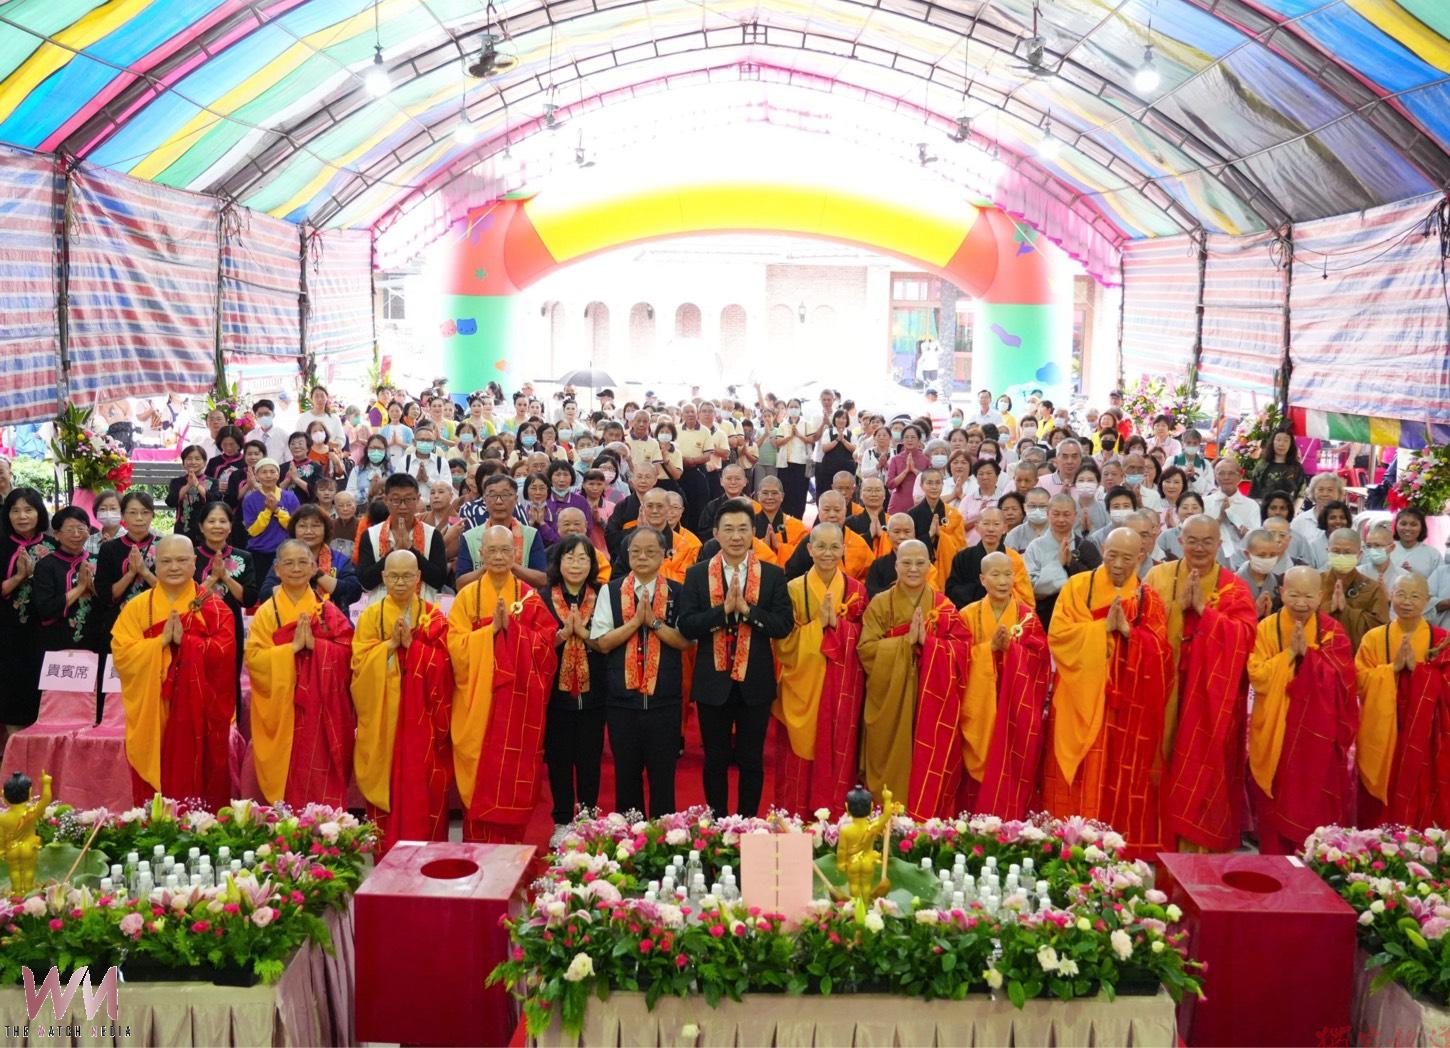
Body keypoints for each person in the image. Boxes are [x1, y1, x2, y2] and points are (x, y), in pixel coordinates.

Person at [1041, 528, 1172, 859]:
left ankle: (1110, 850)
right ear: (1102, 549)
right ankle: (1064, 847)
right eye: (1112, 555)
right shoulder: (1078, 587)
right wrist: (1102, 630)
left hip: (1123, 706)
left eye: (1127, 558)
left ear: (1141, 556)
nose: (1118, 564)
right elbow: (1058, 636)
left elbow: (1161, 653)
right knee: (1075, 776)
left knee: (1115, 774)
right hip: (1078, 697)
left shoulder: (1148, 599)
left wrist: (1130, 634)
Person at [1145, 515, 1259, 852]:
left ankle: (1197, 848)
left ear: (1219, 544)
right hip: (1165, 689)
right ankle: (1154, 842)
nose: (1199, 548)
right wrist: (1176, 609)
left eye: (1207, 541)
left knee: (1202, 769)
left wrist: (1203, 613)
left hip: (1210, 696)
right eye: (1192, 540)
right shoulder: (1158, 576)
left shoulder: (1234, 587)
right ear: (1180, 541)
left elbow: (1245, 636)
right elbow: (1142, 624)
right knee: (1159, 761)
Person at [677, 498, 793, 816]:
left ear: (753, 532)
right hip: (712, 683)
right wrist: (723, 612)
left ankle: (747, 822)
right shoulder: (698, 574)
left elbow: (783, 625)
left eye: (743, 529)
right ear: (716, 533)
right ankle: (717, 823)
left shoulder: (772, 574)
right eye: (728, 529)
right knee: (714, 760)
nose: (736, 536)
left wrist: (747, 611)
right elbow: (687, 625)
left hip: (755, 682)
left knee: (751, 760)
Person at [449, 526, 560, 843]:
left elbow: (546, 645)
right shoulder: (467, 597)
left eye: (505, 550)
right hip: (478, 701)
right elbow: (454, 647)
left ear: (516, 554)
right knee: (478, 774)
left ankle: (513, 854)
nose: (498, 556)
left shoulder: (528, 597)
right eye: (492, 550)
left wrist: (514, 632)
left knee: (512, 775)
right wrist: (490, 633)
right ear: (480, 554)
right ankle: (477, 853)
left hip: (516, 705)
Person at [111, 535, 236, 808]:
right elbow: (121, 654)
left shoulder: (215, 608)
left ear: (194, 563)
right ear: (155, 564)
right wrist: (160, 643)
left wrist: (187, 644)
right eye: (166, 561)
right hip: (153, 704)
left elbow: (225, 654)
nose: (174, 567)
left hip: (198, 708)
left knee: (197, 768)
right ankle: (154, 822)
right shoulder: (137, 607)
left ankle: (200, 823)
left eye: (181, 560)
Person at [858, 538, 972, 818]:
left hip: (930, 696)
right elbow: (866, 649)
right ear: (895, 565)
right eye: (906, 562)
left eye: (920, 563)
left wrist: (929, 645)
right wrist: (904, 643)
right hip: (889, 696)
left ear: (930, 566)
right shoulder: (880, 604)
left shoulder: (943, 606)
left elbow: (963, 648)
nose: (913, 569)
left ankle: (924, 817)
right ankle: (885, 818)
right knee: (886, 754)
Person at [1247, 565, 1357, 854]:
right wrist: (1289, 656)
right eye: (1294, 595)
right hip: (1277, 726)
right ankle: (1274, 863)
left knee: (1314, 797)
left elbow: (1345, 680)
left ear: (1320, 597)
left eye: (1308, 597)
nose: (1300, 603)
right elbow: (1257, 675)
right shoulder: (1267, 628)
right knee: (1276, 799)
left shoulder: (1332, 631)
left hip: (1316, 731)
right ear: (1282, 592)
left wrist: (1309, 658)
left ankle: (1315, 863)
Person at [352, 549, 454, 854]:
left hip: (423, 717)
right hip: (385, 716)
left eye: (407, 576)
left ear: (419, 578)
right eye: (394, 576)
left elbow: (447, 665)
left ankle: (428, 856)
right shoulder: (371, 616)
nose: (400, 582)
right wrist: (389, 647)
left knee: (423, 784)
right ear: (383, 577)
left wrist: (414, 648)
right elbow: (358, 664)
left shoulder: (433, 616)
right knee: (388, 783)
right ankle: (386, 856)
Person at [246, 539, 356, 807]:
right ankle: (287, 822)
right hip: (283, 705)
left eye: (302, 563)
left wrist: (317, 647)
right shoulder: (266, 612)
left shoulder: (327, 610)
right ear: (277, 569)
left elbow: (348, 653)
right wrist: (292, 649)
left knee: (320, 768)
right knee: (290, 772)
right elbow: (255, 660)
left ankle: (325, 822)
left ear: (314, 568)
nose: (296, 569)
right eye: (289, 563)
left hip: (320, 707)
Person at [591, 527, 691, 819]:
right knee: (626, 776)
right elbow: (602, 642)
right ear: (627, 555)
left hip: (665, 701)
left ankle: (662, 836)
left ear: (663, 555)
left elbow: (685, 641)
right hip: (622, 701)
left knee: (663, 778)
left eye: (650, 552)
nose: (643, 557)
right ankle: (628, 838)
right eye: (636, 552)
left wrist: (655, 623)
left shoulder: (678, 592)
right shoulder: (610, 591)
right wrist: (636, 622)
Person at [772, 522, 868, 815]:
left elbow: (866, 642)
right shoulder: (792, 589)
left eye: (834, 547)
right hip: (803, 683)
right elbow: (782, 643)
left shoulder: (856, 591)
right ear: (809, 549)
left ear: (843, 549)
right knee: (798, 760)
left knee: (838, 750)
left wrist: (840, 627)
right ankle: (796, 816)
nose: (828, 553)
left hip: (842, 687)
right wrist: (818, 627)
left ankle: (836, 817)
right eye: (821, 547)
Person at [958, 550, 1051, 819]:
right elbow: (958, 659)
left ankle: (1012, 824)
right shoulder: (967, 615)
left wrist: (1013, 650)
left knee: (1013, 766)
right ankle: (972, 824)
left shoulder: (1027, 617)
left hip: (1014, 707)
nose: (1002, 581)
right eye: (995, 574)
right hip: (980, 707)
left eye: (1008, 574)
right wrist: (989, 650)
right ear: (982, 579)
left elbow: (1040, 660)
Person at [1354, 572, 1450, 829]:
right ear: (1390, 596)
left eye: (1415, 596)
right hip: (1384, 726)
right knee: (1383, 787)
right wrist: (1392, 670)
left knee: (1421, 786)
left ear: (1427, 600)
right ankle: (1376, 842)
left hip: (1426, 731)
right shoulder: (1374, 637)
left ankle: (1422, 840)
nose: (1407, 601)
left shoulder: (1441, 639)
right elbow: (1359, 680)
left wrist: (1419, 672)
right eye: (1401, 594)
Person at [539, 536, 607, 839]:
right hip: (556, 694)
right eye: (570, 558)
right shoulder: (543, 597)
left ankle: (588, 819)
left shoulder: (603, 595)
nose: (576, 564)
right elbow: (536, 642)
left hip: (596, 692)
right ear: (558, 562)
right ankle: (562, 820)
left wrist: (584, 634)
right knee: (559, 759)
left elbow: (610, 640)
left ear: (592, 563)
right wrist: (562, 635)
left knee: (590, 758)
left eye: (583, 558)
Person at [0, 488, 52, 728]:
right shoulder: (3, 545)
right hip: (8, 632)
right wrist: (19, 577)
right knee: (12, 689)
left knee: (43, 690)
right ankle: (14, 744)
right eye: (15, 510)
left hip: (47, 631)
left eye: (28, 510)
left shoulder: (54, 545)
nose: (22, 516)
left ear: (39, 512)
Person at [358, 474, 451, 602]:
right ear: (386, 500)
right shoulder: (370, 535)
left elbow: (438, 581)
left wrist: (410, 549)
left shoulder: (433, 535)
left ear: (417, 499)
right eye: (396, 500)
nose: (402, 506)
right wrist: (394, 551)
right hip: (381, 610)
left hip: (423, 609)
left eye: (408, 499)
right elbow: (366, 582)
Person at [257, 504, 362, 609]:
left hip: (332, 618)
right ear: (294, 530)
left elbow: (354, 592)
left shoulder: (339, 560)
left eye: (315, 526)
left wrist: (317, 574)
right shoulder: (284, 560)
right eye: (302, 526)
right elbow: (265, 595)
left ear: (325, 530)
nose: (308, 531)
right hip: (291, 618)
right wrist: (294, 580)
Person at [1026, 492, 1104, 629]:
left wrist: (1071, 563)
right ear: (1048, 514)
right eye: (1056, 514)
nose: (1061, 519)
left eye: (1066, 514)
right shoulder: (1035, 547)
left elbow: (1097, 583)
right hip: (1044, 617)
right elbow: (1030, 587)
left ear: (1075, 515)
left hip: (1079, 618)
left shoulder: (1086, 546)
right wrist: (1058, 564)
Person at [457, 474, 548, 589]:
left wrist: (511, 565)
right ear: (484, 500)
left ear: (516, 499)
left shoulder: (531, 535)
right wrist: (487, 567)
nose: (499, 501)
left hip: (520, 599)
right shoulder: (470, 537)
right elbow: (460, 584)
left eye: (505, 495)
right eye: (492, 495)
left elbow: (542, 580)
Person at [945, 506, 1033, 609]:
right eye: (986, 524)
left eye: (996, 524)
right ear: (977, 527)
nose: (991, 529)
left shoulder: (1014, 558)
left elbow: (1024, 596)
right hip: (970, 614)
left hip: (1006, 614)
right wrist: (984, 590)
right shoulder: (963, 557)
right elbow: (952, 591)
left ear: (1005, 528)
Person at [781, 491, 873, 582]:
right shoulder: (809, 542)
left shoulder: (857, 542)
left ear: (845, 511)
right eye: (826, 510)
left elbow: (869, 577)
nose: (832, 515)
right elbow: (792, 577)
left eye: (837, 510)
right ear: (819, 512)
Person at [1323, 527, 1388, 653]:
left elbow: (1380, 629)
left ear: (1359, 555)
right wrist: (1329, 607)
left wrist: (1346, 611)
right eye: (1336, 551)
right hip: (1319, 657)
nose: (1341, 556)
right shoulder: (1315, 582)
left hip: (1356, 657)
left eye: (1347, 552)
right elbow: (1302, 617)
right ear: (1327, 551)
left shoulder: (1372, 588)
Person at [242, 458, 299, 582]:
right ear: (257, 476)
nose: (268, 475)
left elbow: (295, 527)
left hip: (285, 551)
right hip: (259, 552)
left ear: (278, 475)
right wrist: (268, 510)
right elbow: (252, 531)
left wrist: (277, 510)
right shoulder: (250, 500)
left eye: (272, 472)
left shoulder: (290, 497)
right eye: (264, 472)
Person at [1203, 458, 1260, 563]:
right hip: (1210, 558)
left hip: (1242, 560)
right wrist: (1220, 518)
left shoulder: (1251, 505)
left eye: (1231, 473)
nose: (1226, 477)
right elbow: (1201, 532)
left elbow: (1256, 539)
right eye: (1221, 473)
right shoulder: (1205, 502)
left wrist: (1243, 531)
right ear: (1215, 476)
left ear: (1240, 476)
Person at [864, 512, 921, 599]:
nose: (902, 536)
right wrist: (897, 588)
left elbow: (931, 592)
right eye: (896, 532)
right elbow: (870, 594)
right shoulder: (878, 565)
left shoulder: (922, 563)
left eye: (907, 531)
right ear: (888, 535)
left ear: (914, 534)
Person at [166, 445, 214, 540]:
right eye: (189, 459)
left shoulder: (213, 482)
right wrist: (188, 485)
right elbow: (171, 502)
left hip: (206, 528)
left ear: (204, 462)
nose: (193, 462)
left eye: (197, 459)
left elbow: (213, 501)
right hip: (183, 528)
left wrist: (197, 484)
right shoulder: (177, 482)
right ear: (183, 462)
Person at [1237, 528, 1286, 618]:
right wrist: (1255, 613)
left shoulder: (1280, 583)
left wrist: (1269, 616)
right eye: (1261, 555)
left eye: (1272, 555)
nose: (1267, 559)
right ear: (1247, 554)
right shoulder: (1232, 584)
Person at [885, 424, 929, 514]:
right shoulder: (895, 459)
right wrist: (906, 471)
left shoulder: (926, 459)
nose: (909, 440)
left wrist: (914, 470)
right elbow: (890, 484)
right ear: (902, 440)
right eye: (906, 437)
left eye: (913, 437)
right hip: (898, 504)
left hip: (920, 503)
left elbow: (930, 481)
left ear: (919, 440)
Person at [1249, 430, 1305, 500]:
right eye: (1278, 440)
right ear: (1272, 442)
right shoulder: (1262, 465)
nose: (1281, 444)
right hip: (1263, 505)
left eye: (1286, 441)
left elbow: (1301, 494)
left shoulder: (1296, 467)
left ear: (1291, 444)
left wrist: (1293, 507)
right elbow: (1254, 491)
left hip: (1289, 505)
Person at [845, 475, 891, 559]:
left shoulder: (892, 521)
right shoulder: (850, 522)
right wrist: (869, 535)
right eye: (869, 490)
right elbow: (847, 551)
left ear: (884, 495)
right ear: (861, 495)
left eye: (878, 490)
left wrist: (883, 536)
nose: (873, 494)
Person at [1390, 508, 1442, 579]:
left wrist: (1414, 577)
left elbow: (1441, 580)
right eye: (1403, 524)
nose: (1407, 528)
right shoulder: (1387, 549)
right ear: (1396, 525)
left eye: (1413, 525)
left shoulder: (1433, 554)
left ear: (1422, 527)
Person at [1005, 487, 1051, 553]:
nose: (1037, 510)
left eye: (1042, 506)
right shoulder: (1014, 534)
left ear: (1050, 507)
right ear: (1025, 507)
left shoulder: (1059, 531)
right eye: (1032, 506)